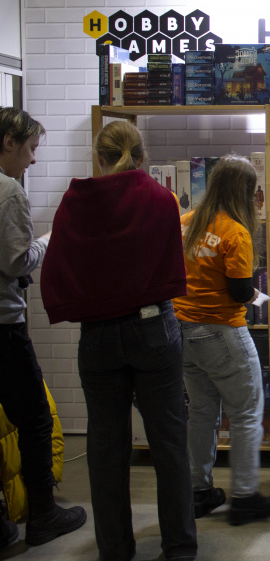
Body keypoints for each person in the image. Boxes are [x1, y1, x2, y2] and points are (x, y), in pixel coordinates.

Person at [40, 119, 197, 560]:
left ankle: (114, 549)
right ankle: (180, 548)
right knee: (169, 441)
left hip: (99, 335)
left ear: (99, 158)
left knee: (105, 446)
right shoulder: (161, 198)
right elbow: (172, 262)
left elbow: (59, 265)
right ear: (142, 157)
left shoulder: (75, 203)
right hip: (153, 328)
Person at [172, 155, 270, 526]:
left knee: (202, 412)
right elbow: (239, 292)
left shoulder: (184, 223)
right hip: (221, 331)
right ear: (245, 192)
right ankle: (245, 497)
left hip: (183, 331)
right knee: (247, 412)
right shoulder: (236, 232)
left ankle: (199, 492)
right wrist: (259, 297)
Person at [0, 107, 87, 548]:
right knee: (34, 418)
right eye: (31, 148)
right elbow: (17, 261)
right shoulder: (8, 192)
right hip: (4, 327)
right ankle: (43, 515)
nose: (33, 159)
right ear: (9, 142)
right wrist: (50, 240)